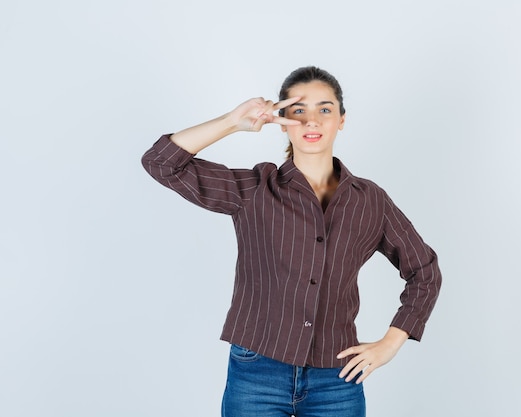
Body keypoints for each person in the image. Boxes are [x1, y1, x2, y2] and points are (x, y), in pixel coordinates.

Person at [141, 66, 442, 417]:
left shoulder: (370, 200)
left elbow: (425, 271)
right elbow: (161, 163)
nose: (311, 121)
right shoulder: (255, 188)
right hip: (257, 370)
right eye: (299, 111)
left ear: (341, 120)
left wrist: (392, 342)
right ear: (282, 120)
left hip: (338, 376)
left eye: (325, 109)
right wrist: (232, 121)